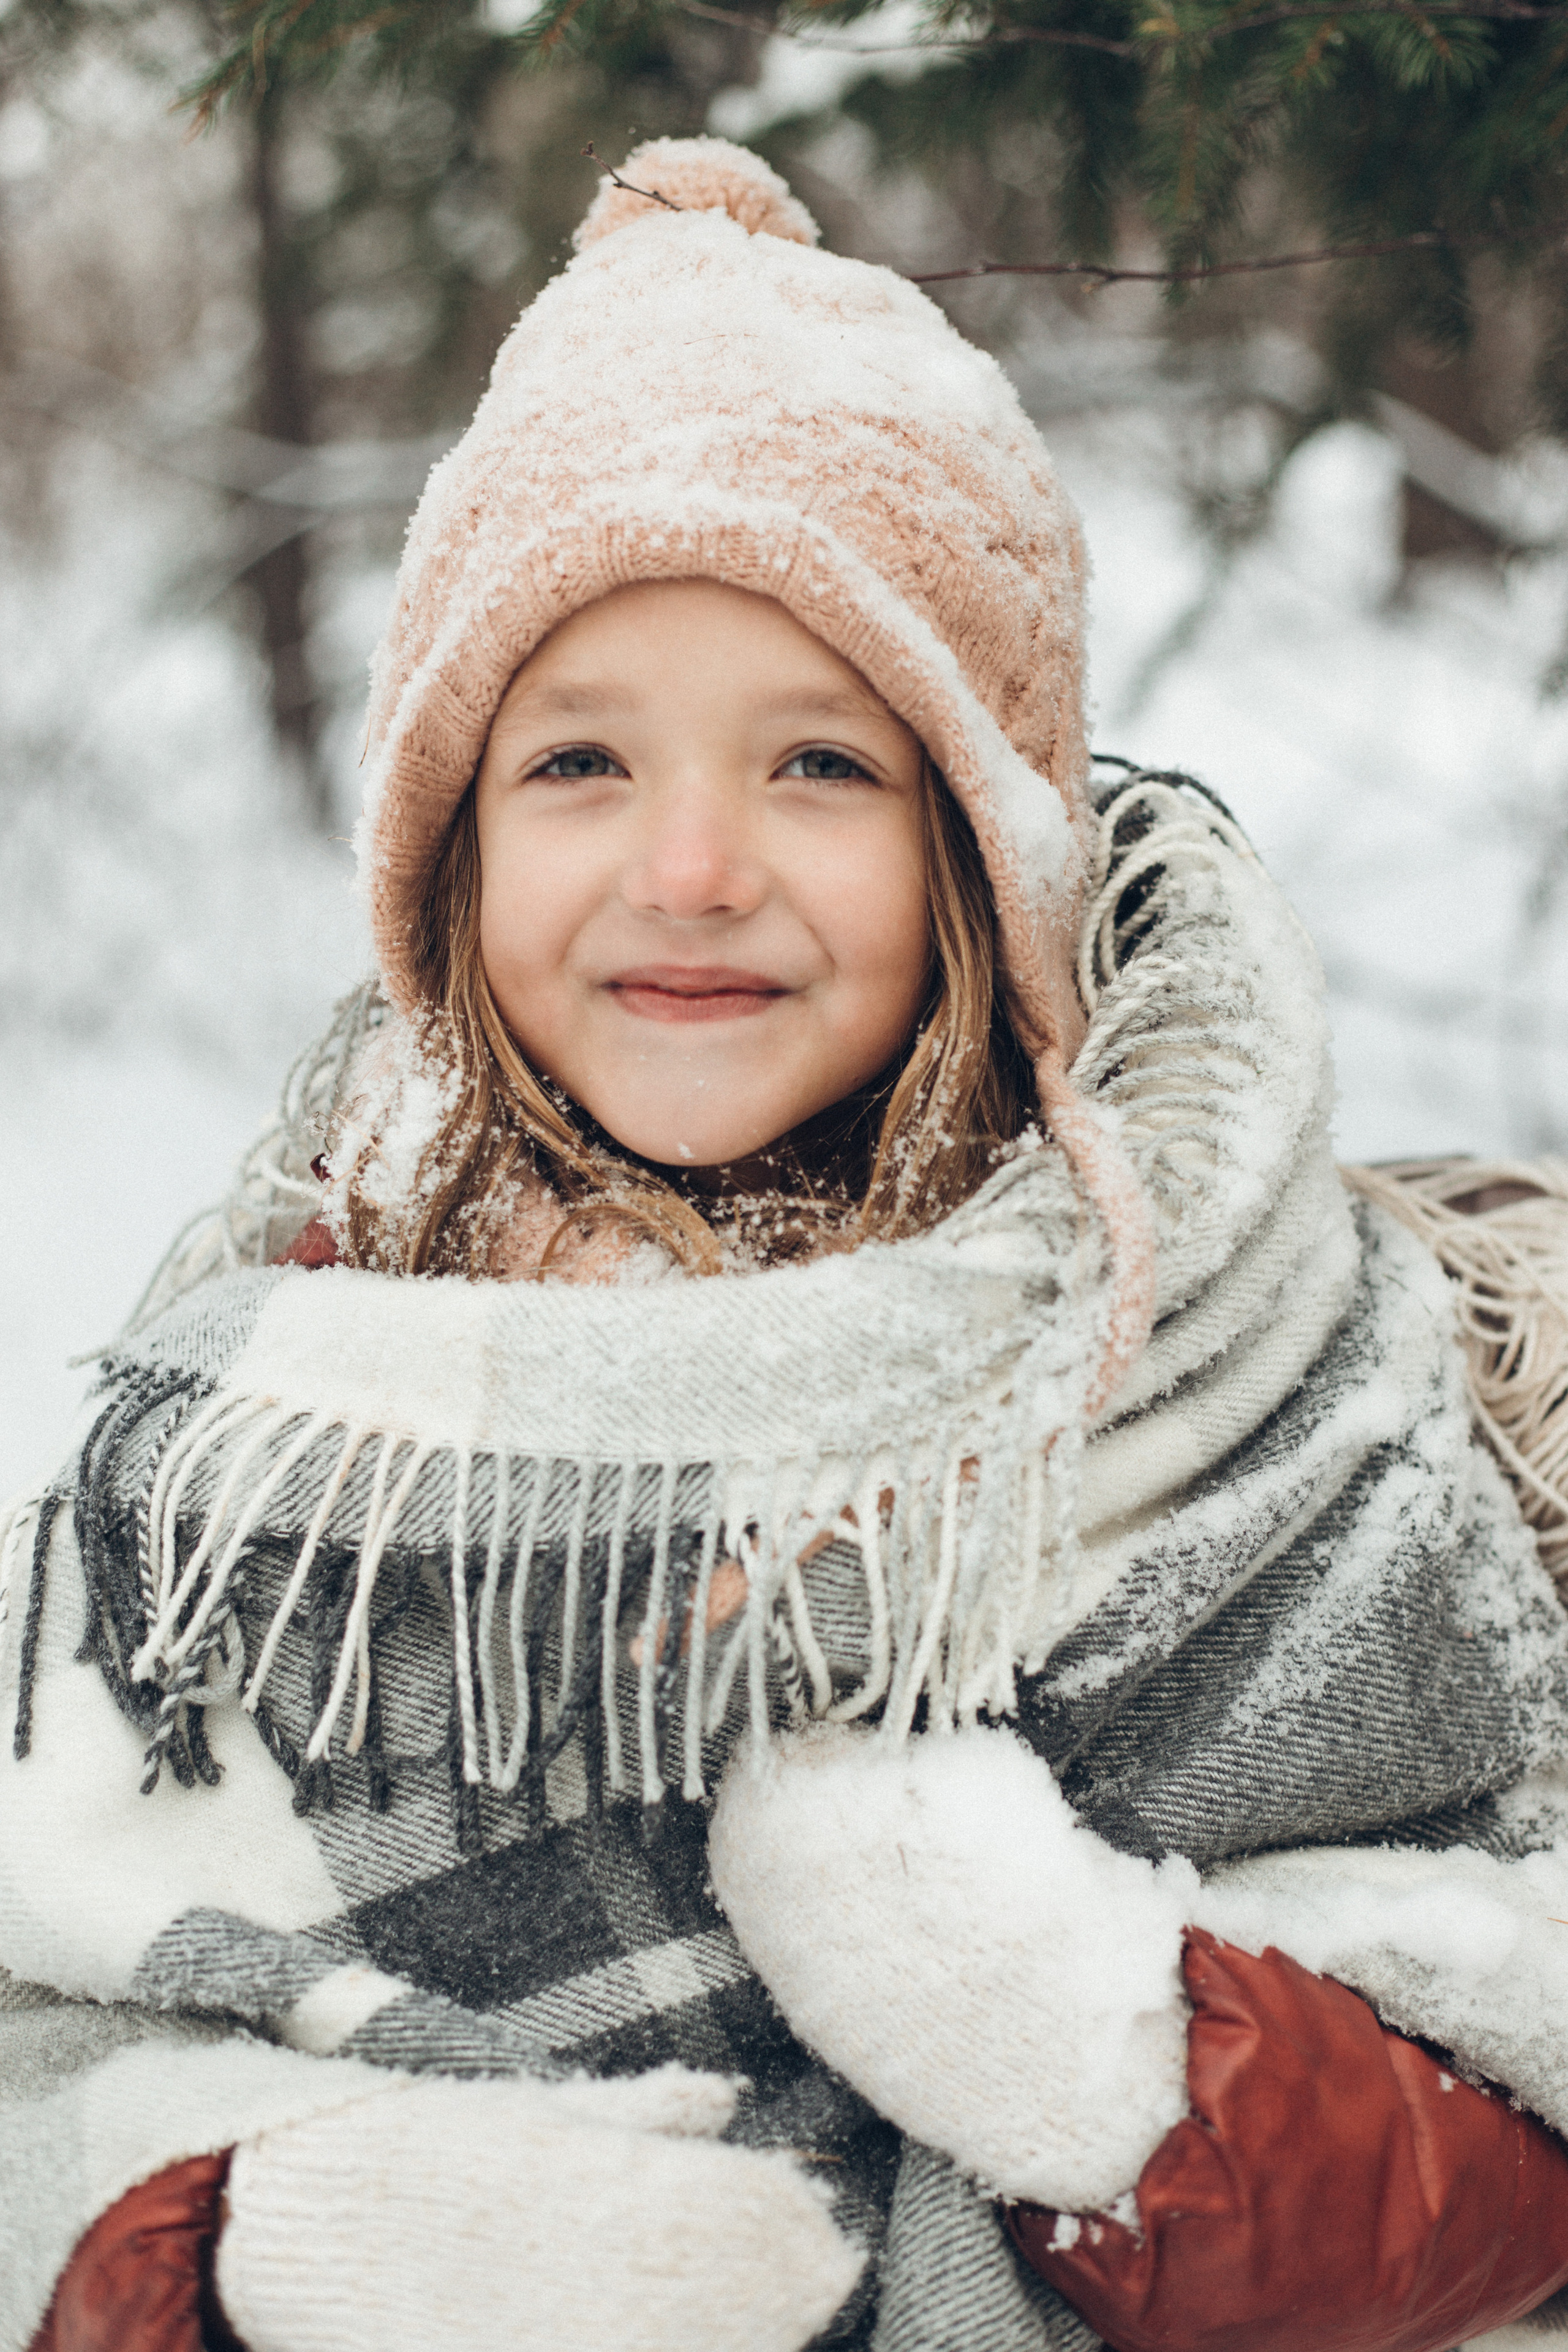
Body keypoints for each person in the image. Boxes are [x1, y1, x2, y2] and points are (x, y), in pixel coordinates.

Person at [6, 135, 1568, 2352]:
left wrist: (1096, 2051)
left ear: (982, 855)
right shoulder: (278, 1443)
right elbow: (47, 2028)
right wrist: (261, 2234)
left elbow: (1514, 2085)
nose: (695, 867)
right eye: (578, 764)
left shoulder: (1255, 1393)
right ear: (452, 856)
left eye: (822, 763)